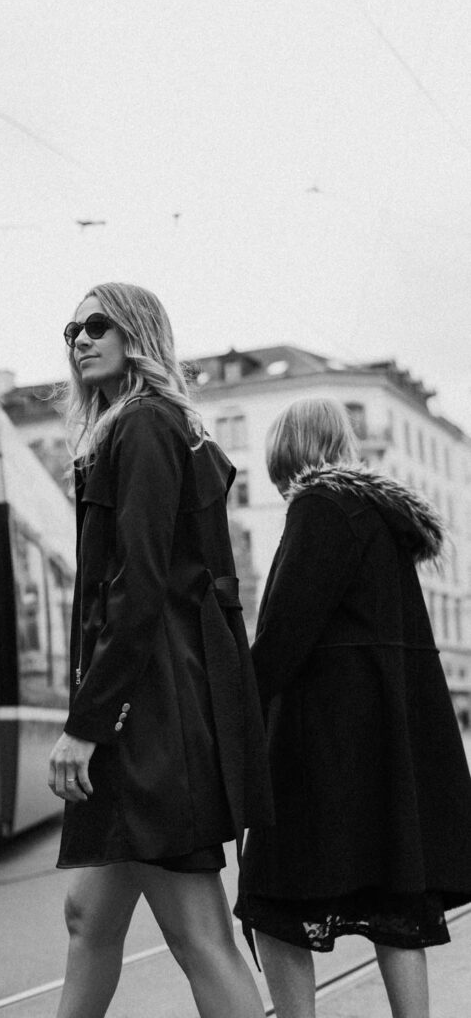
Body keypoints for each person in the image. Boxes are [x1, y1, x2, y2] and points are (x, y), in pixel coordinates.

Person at [48, 282, 273, 1018]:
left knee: (197, 933)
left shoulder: (142, 426)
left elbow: (137, 586)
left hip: (145, 719)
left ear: (137, 332)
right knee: (89, 917)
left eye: (97, 324)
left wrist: (88, 722)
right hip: (150, 709)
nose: (81, 338)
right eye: (72, 328)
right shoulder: (135, 426)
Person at [238, 397, 471, 1018]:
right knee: (396, 907)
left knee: (272, 899)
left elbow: (284, 632)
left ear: (286, 449)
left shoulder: (318, 506)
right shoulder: (379, 520)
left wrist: (234, 716)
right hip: (385, 751)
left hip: (321, 749)